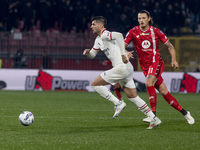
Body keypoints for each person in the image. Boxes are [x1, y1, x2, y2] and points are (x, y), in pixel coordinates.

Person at [83, 16, 161, 129]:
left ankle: (118, 103)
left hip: (121, 67)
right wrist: (88, 53)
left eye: (94, 24)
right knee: (133, 96)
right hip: (126, 68)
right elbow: (92, 55)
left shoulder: (106, 34)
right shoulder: (98, 40)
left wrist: (123, 54)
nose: (91, 26)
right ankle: (154, 118)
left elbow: (119, 35)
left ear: (101, 26)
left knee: (95, 84)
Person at [124, 10, 195, 124]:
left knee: (148, 83)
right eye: (139, 18)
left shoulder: (156, 31)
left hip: (155, 61)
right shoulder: (133, 31)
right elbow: (122, 45)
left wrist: (173, 60)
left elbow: (170, 46)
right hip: (145, 66)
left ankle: (153, 116)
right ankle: (185, 113)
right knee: (164, 92)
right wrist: (125, 52)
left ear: (148, 19)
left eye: (143, 18)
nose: (141, 20)